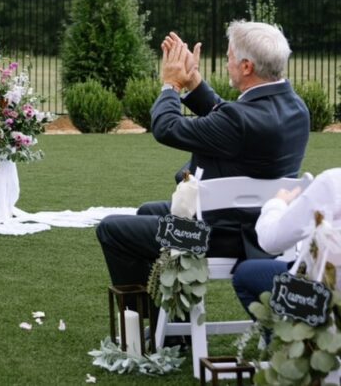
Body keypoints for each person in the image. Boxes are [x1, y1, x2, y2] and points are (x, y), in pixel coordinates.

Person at [96, 21, 310, 306]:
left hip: (215, 237)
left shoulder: (237, 120)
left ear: (247, 67)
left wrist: (170, 84)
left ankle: (144, 327)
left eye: (230, 58)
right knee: (148, 211)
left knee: (112, 230)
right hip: (259, 228)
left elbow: (166, 127)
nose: (226, 63)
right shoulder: (296, 108)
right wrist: (194, 82)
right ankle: (170, 323)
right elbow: (231, 119)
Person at [232, 168, 341, 315]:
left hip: (325, 296)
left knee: (246, 274)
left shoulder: (332, 182)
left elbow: (271, 241)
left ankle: (285, 336)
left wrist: (277, 203)